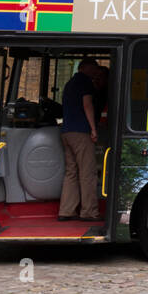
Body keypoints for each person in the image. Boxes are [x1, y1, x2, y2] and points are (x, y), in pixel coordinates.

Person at [59, 59, 105, 222]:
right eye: (94, 67)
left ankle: (66, 210)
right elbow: (87, 105)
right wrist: (93, 128)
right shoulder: (85, 82)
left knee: (71, 172)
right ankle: (89, 212)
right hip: (81, 132)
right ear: (85, 67)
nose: (95, 71)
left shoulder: (70, 83)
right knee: (87, 173)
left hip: (66, 132)